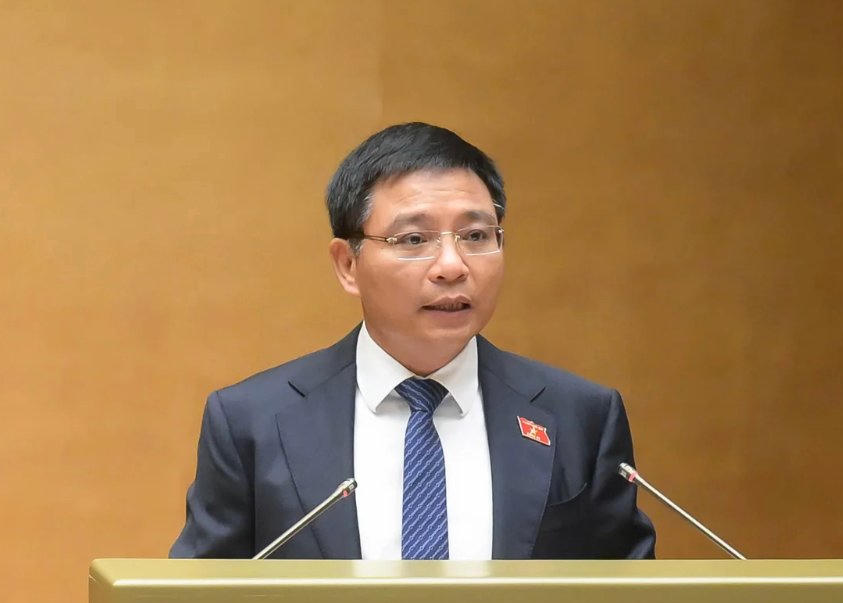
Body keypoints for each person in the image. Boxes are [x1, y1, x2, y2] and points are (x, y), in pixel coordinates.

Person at [170, 122, 654, 560]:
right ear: (348, 265)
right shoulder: (252, 422)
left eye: (476, 236)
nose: (452, 266)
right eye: (414, 240)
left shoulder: (580, 418)